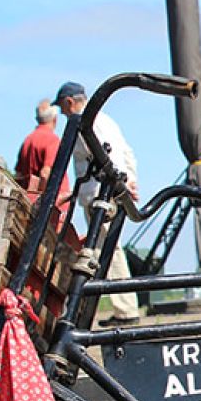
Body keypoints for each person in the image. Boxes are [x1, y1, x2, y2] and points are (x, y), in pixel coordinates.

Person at [55, 81, 142, 326]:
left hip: (99, 195)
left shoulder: (86, 122)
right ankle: (118, 307)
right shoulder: (106, 120)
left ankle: (124, 311)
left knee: (107, 253)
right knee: (109, 251)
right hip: (108, 190)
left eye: (63, 107)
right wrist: (130, 181)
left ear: (70, 102)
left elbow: (108, 157)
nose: (62, 113)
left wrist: (114, 184)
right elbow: (125, 153)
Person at [15, 99, 69, 231]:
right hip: (52, 211)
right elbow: (45, 173)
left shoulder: (28, 140)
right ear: (55, 119)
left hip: (29, 203)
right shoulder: (52, 140)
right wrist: (45, 201)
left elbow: (19, 175)